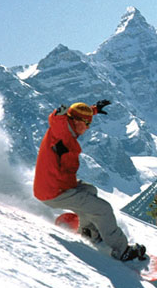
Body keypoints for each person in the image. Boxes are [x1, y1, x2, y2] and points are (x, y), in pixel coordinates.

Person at [33, 100, 147, 261]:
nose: (88, 128)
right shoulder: (62, 134)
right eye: (86, 123)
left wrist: (92, 110)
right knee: (103, 209)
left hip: (58, 186)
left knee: (90, 191)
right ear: (76, 121)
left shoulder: (67, 130)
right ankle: (122, 251)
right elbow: (60, 122)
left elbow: (69, 117)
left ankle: (89, 231)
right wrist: (59, 113)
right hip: (54, 191)